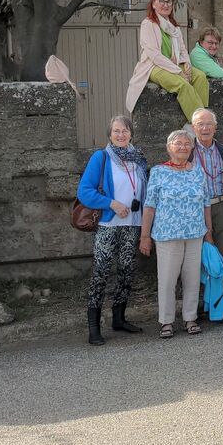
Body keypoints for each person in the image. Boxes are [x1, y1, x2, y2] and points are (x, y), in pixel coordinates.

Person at [76, 115, 147, 345]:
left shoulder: (139, 158)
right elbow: (84, 191)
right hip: (108, 224)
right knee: (101, 273)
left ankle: (119, 317)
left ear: (131, 134)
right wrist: (111, 203)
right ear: (109, 134)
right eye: (116, 131)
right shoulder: (102, 157)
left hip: (133, 223)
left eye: (125, 131)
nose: (120, 135)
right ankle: (94, 327)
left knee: (127, 271)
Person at [139, 130, 214, 339]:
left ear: (192, 148)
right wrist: (145, 236)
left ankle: (190, 318)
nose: (182, 147)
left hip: (195, 233)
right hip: (167, 235)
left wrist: (209, 232)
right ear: (169, 147)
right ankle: (166, 321)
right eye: (178, 143)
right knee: (167, 280)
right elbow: (150, 206)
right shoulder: (158, 171)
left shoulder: (198, 172)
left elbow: (206, 204)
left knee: (192, 278)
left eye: (186, 143)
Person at [125, 0, 210, 119]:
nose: (166, 5)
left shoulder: (174, 27)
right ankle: (200, 122)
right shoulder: (148, 24)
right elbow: (154, 55)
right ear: (153, 4)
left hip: (175, 64)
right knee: (183, 85)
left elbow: (182, 49)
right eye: (162, 1)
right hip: (153, 67)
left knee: (200, 77)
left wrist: (187, 64)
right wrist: (179, 72)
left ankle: (199, 117)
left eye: (169, 2)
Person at [189, 108, 223, 271]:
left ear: (215, 128)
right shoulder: (187, 152)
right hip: (195, 208)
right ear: (193, 127)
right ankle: (199, 294)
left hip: (221, 205)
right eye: (200, 124)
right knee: (195, 252)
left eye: (209, 124)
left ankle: (220, 295)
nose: (205, 128)